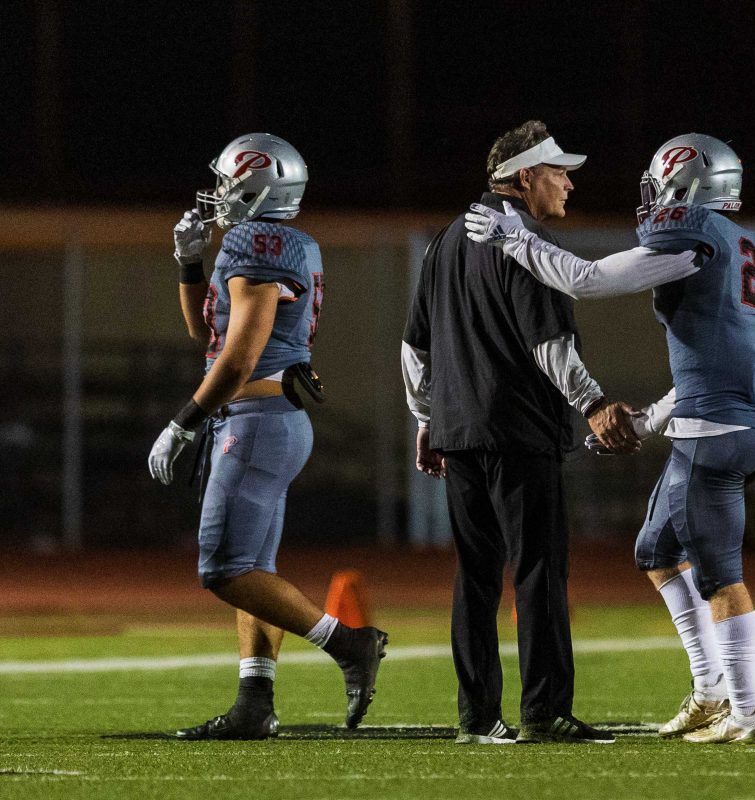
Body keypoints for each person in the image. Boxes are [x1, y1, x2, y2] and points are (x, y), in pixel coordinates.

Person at [465, 133, 755, 743]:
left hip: (714, 429)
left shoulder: (696, 236)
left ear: (689, 185)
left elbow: (586, 279)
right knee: (656, 552)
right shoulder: (753, 246)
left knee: (719, 575)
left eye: (663, 184)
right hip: (729, 418)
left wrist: (515, 238)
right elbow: (718, 359)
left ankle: (748, 712)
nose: (654, 198)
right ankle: (712, 692)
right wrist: (650, 420)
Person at [402, 120, 637, 745]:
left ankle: (477, 716)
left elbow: (414, 346)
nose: (568, 184)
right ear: (526, 177)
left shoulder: (446, 241)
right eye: (560, 173)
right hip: (518, 432)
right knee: (539, 570)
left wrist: (426, 420)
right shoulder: (521, 240)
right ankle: (544, 711)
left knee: (475, 575)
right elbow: (549, 342)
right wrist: (591, 406)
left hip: (459, 432)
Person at [149, 133, 388, 740]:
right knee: (254, 566)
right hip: (266, 421)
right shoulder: (284, 241)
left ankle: (349, 644)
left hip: (254, 422)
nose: (221, 194)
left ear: (257, 186)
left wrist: (182, 423)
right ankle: (255, 700)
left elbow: (237, 358)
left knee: (224, 568)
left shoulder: (257, 241)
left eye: (230, 182)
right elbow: (210, 338)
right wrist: (189, 266)